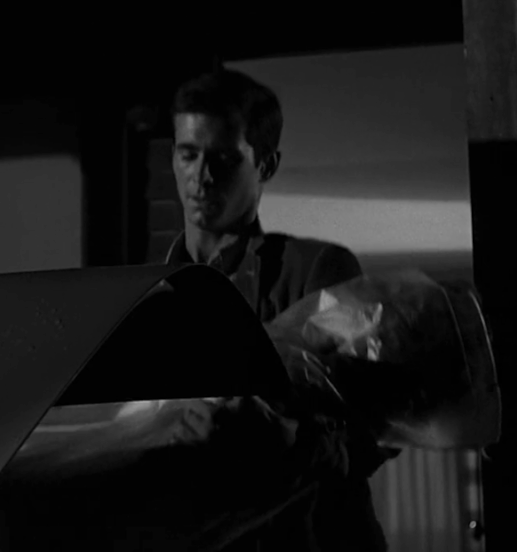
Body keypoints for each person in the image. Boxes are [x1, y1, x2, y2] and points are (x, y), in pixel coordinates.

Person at [162, 69, 395, 551]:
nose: (201, 176)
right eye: (188, 154)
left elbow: (376, 426)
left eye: (224, 159)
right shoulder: (149, 296)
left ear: (265, 166)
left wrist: (281, 437)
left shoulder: (319, 270)